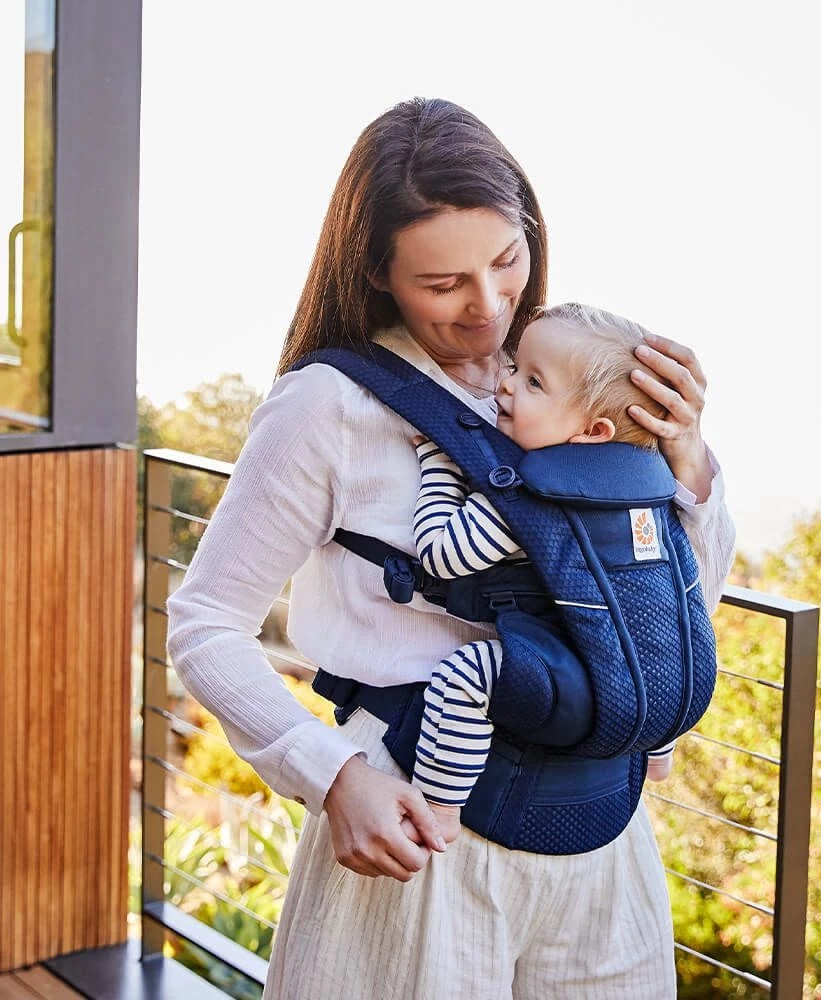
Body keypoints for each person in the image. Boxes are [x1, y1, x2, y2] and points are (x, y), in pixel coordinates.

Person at [166, 97, 736, 999]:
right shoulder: (329, 406)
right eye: (443, 284)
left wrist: (688, 460)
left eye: (507, 261)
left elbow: (675, 605)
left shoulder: (580, 379)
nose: (489, 307)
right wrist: (330, 776)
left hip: (603, 836)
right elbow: (204, 623)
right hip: (418, 829)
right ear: (377, 273)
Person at [410, 301, 688, 843]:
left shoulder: (535, 493)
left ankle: (439, 806)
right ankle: (657, 754)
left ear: (592, 430)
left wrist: (440, 467)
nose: (505, 384)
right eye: (516, 368)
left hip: (581, 692)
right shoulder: (649, 489)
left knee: (464, 676)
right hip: (664, 689)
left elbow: (442, 554)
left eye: (533, 382)